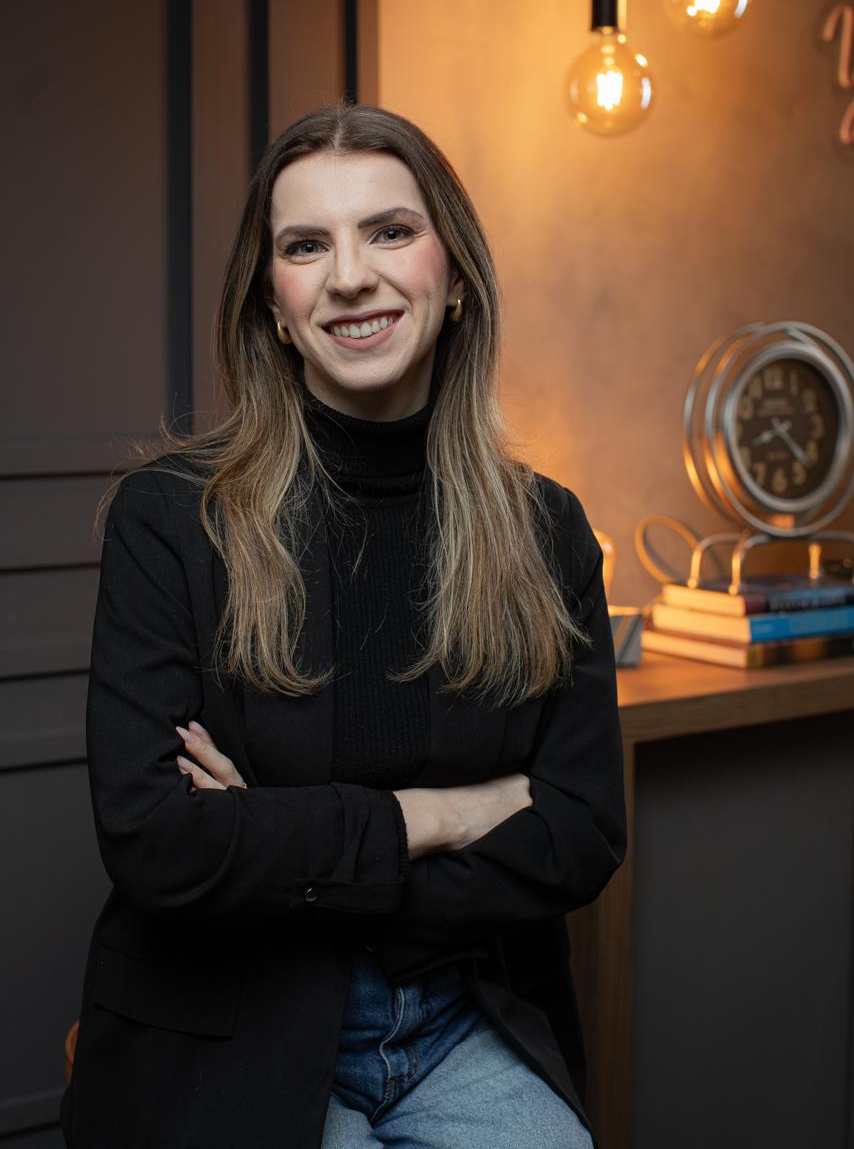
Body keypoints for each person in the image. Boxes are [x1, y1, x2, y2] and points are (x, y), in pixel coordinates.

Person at [61, 103, 626, 1149]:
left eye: (389, 231)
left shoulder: (545, 528)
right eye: (305, 245)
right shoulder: (170, 517)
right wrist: (440, 814)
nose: (350, 276)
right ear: (274, 306)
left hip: (459, 1021)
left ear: (456, 279)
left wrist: (279, 844)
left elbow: (580, 834)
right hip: (233, 1029)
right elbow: (158, 841)